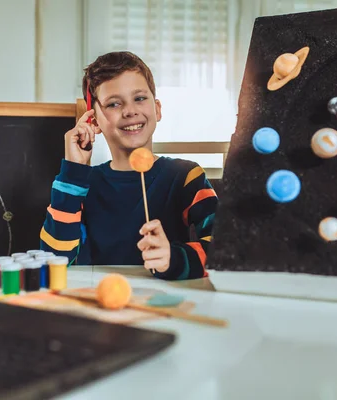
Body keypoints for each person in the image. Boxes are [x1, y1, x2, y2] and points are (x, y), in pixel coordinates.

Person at [40, 51, 217, 280]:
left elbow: (225, 250)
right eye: (114, 103)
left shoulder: (185, 176)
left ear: (158, 109)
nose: (130, 110)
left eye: (140, 98)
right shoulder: (82, 183)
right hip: (99, 302)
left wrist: (173, 258)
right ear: (94, 121)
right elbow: (52, 261)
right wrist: (73, 172)